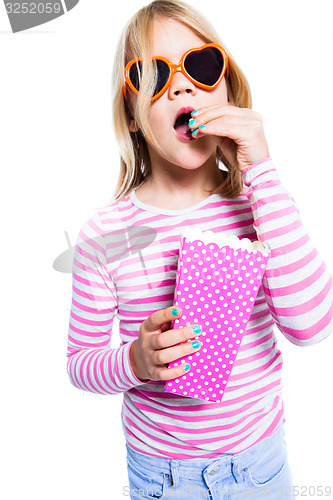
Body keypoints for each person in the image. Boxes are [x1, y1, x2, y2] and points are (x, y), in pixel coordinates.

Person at [66, 0, 333, 498]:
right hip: (162, 477)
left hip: (261, 465)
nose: (183, 86)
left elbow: (312, 324)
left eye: (202, 65)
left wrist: (262, 171)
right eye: (154, 75)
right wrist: (135, 362)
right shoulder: (106, 234)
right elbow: (80, 363)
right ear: (131, 113)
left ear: (227, 87)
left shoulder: (260, 205)